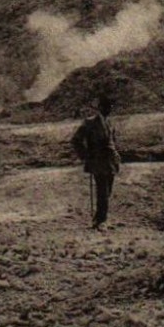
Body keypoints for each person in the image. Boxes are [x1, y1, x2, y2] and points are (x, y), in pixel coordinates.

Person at [69, 95, 122, 230]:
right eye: (105, 107)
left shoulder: (110, 123)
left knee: (108, 190)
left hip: (110, 161)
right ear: (100, 108)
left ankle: (100, 218)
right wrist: (86, 156)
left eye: (110, 107)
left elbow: (112, 142)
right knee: (102, 191)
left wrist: (116, 157)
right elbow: (76, 140)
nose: (108, 110)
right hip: (97, 161)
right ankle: (100, 221)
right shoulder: (90, 122)